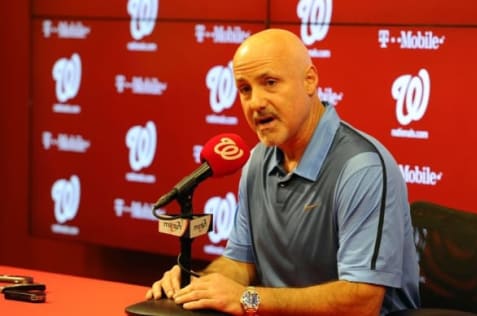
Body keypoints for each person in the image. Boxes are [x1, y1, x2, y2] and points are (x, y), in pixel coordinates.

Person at [146, 28, 420, 316]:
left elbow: (361, 302)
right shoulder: (256, 161)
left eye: (270, 82)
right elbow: (242, 262)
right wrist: (193, 282)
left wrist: (247, 300)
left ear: (309, 80)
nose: (256, 102)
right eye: (245, 89)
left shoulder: (361, 168)